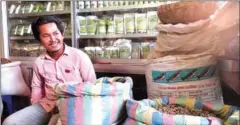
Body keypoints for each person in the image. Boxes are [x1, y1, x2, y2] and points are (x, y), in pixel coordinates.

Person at [3, 16, 96, 125]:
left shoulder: (79, 57)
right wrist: (36, 111)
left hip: (74, 106)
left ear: (62, 34)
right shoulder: (39, 62)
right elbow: (36, 90)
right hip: (47, 106)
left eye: (56, 33)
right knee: (10, 122)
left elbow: (91, 87)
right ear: (39, 40)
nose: (53, 39)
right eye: (46, 35)